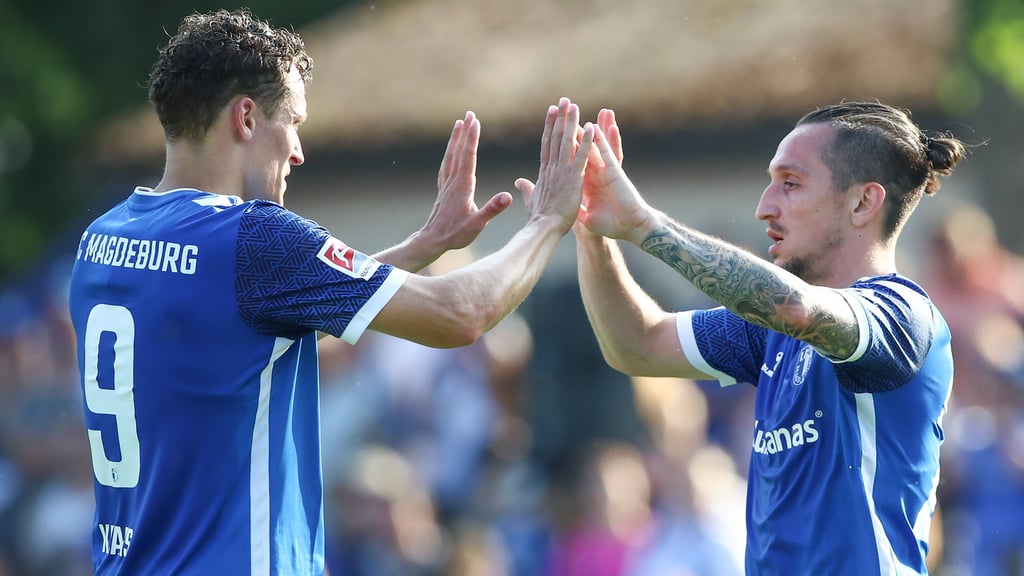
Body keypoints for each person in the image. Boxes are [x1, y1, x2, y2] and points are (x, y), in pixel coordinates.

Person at [67, 9, 593, 575]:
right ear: (246, 117)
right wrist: (547, 223)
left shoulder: (104, 237)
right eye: (291, 121)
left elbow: (244, 321)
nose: (297, 151)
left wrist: (422, 247)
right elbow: (462, 314)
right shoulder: (254, 235)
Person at [569, 102, 967, 574]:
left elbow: (796, 308)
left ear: (863, 203)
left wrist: (644, 225)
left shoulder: (902, 314)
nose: (764, 207)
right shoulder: (773, 331)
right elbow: (637, 343)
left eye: (791, 183)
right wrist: (593, 228)